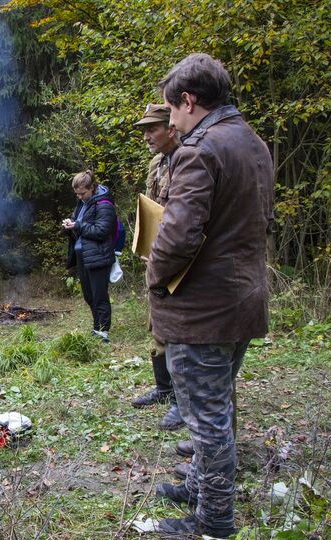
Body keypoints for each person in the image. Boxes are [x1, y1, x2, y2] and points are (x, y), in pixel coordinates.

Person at [149, 53, 273, 538]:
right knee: (217, 404)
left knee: (207, 418)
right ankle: (199, 485)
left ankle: (213, 521)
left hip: (203, 307)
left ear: (188, 100)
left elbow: (178, 236)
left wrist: (155, 277)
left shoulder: (199, 150)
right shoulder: (252, 141)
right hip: (243, 295)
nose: (171, 121)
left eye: (171, 109)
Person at [130, 104, 187, 434]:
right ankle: (164, 388)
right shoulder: (158, 162)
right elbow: (152, 206)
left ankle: (182, 400)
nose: (147, 135)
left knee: (179, 329)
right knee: (158, 323)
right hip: (156, 255)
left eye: (153, 128)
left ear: (172, 128)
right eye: (144, 130)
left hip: (177, 259)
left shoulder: (186, 159)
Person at [62, 171, 117, 342]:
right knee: (89, 295)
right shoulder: (82, 203)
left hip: (99, 256)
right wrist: (68, 225)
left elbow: (102, 231)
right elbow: (79, 224)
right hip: (83, 255)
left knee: (100, 295)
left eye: (83, 193)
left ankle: (104, 331)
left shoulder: (104, 204)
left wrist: (78, 225)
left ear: (92, 188)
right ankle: (97, 327)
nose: (80, 197)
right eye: (77, 194)